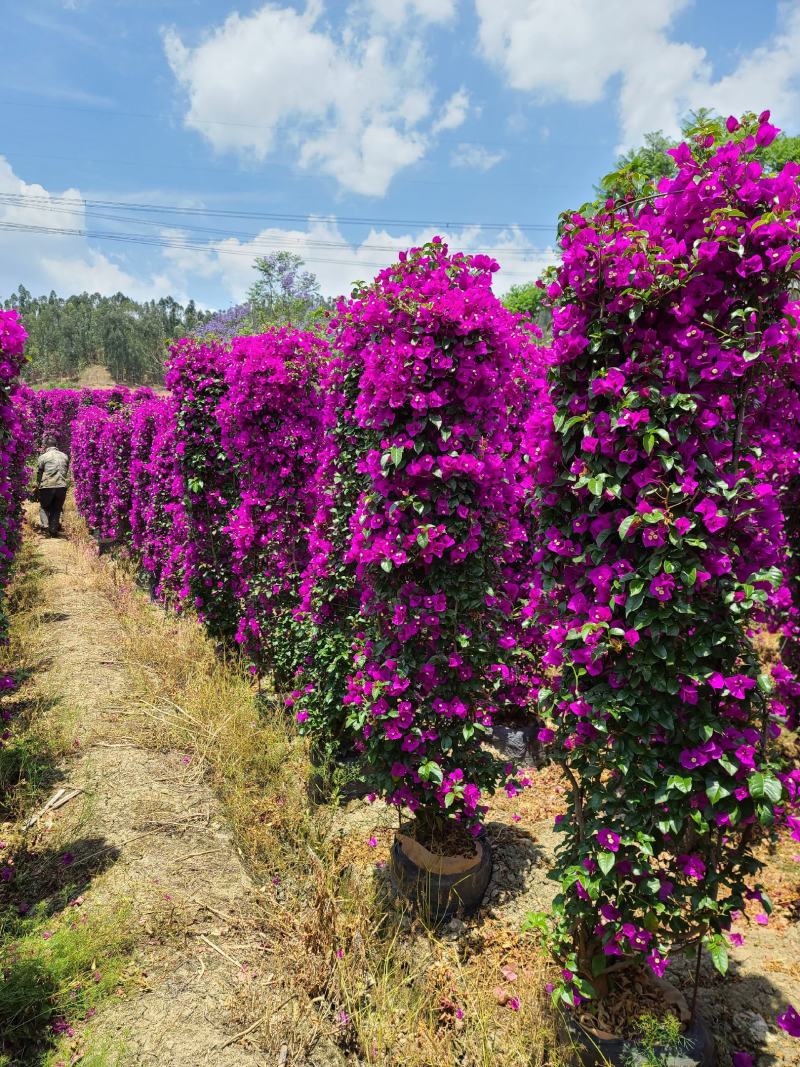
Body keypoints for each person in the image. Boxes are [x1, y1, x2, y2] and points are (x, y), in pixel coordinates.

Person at [36, 434, 70, 537]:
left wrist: (38, 485)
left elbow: (39, 472)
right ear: (56, 445)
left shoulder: (43, 457)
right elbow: (66, 470)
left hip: (47, 486)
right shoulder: (64, 456)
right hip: (61, 486)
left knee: (44, 507)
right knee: (57, 508)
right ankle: (53, 530)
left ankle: (45, 526)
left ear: (46, 446)